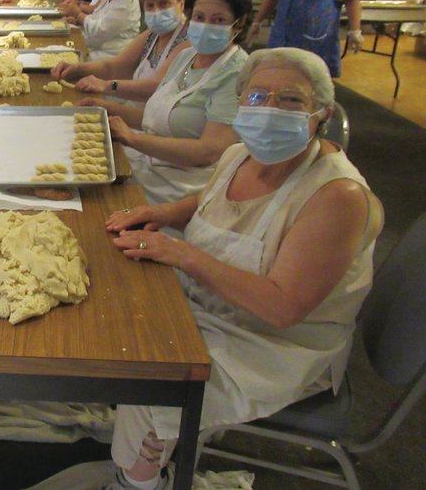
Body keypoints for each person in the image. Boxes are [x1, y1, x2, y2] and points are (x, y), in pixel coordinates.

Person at [96, 47, 384, 490]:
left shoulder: (336, 197)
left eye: (290, 100)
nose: (268, 110)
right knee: (119, 306)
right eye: (256, 97)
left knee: (154, 373)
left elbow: (283, 308)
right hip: (214, 304)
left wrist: (184, 255)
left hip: (270, 346)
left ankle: (139, 478)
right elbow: (210, 202)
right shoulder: (240, 154)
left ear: (321, 113)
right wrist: (166, 213)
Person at [85, 0, 251, 205]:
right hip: (146, 167)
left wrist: (132, 138)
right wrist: (106, 107)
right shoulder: (186, 56)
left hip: (179, 191)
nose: (205, 26)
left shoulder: (237, 73)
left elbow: (209, 150)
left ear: (239, 24)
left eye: (219, 20)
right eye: (200, 17)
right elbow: (155, 117)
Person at [52, 0, 190, 130]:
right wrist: (77, 68)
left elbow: (156, 86)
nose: (156, 11)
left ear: (181, 4)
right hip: (136, 115)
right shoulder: (152, 35)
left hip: (156, 127)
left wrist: (106, 86)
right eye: (150, 6)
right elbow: (113, 66)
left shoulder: (186, 41)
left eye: (164, 4)